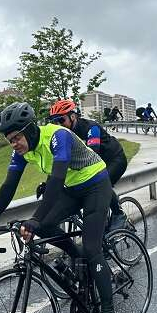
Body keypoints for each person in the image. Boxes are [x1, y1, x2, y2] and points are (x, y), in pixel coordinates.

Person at [0, 102, 119, 313]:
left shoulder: (57, 136)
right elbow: (9, 186)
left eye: (16, 137)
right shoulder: (22, 151)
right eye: (10, 140)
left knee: (92, 248)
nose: (14, 143)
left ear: (30, 130)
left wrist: (34, 219)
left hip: (95, 184)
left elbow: (57, 179)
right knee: (47, 227)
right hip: (72, 188)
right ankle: (77, 253)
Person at [48, 99, 129, 231]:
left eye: (61, 120)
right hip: (98, 162)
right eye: (54, 121)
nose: (58, 124)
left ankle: (119, 214)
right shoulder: (62, 135)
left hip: (114, 159)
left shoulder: (91, 128)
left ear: (73, 116)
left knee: (102, 181)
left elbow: (92, 155)